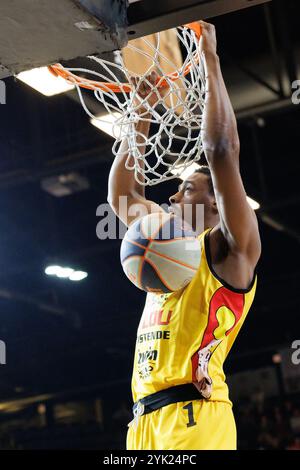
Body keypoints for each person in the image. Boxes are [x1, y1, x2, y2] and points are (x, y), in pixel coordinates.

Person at [107, 21, 261, 450]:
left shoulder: (228, 250)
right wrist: (141, 114)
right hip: (143, 423)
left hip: (195, 417)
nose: (174, 195)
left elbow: (221, 152)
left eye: (188, 188)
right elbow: (123, 194)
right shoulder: (163, 240)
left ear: (216, 205)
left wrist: (210, 58)